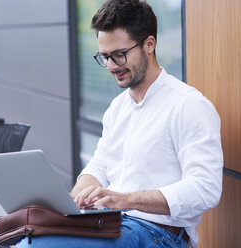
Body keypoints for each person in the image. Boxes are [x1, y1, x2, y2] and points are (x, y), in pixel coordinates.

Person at [16, 0, 223, 247]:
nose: (111, 67)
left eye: (119, 55)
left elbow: (205, 188)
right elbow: (101, 163)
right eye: (105, 57)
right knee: (29, 237)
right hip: (112, 223)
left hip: (160, 234)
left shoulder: (188, 105)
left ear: (149, 44)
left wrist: (125, 199)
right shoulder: (118, 108)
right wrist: (81, 190)